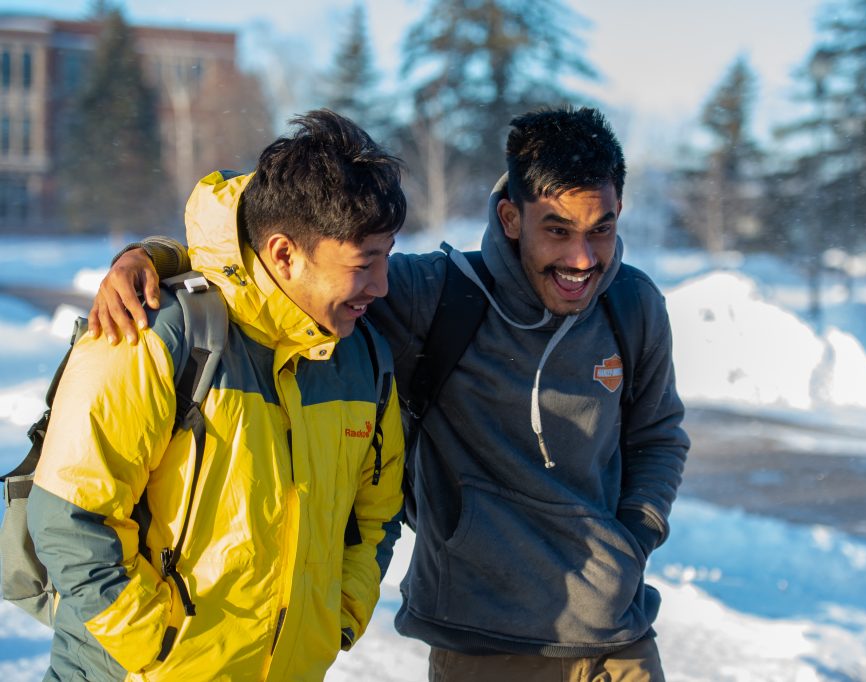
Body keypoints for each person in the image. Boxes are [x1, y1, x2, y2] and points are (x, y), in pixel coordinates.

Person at [91, 106, 689, 682]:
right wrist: (152, 256)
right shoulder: (436, 295)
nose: (582, 258)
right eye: (558, 231)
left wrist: (634, 538)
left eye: (601, 229)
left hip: (620, 637)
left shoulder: (632, 305)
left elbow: (658, 434)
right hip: (482, 639)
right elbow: (291, 252)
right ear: (511, 219)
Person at [28, 109, 406, 681]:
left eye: (387, 255)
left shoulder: (363, 360)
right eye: (363, 263)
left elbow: (373, 517)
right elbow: (70, 519)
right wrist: (161, 649)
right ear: (283, 253)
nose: (381, 285)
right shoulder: (153, 333)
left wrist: (339, 616)